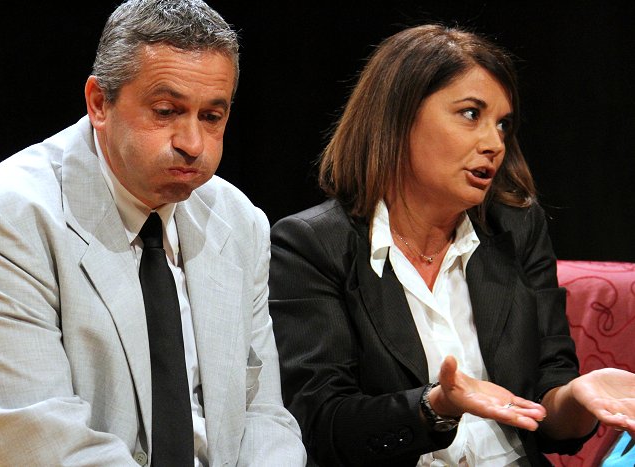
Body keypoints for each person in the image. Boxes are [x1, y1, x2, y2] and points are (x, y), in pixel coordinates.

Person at [0, 1, 306, 465]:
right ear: (99, 103)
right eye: (166, 111)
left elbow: (263, 415)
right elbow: (45, 441)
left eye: (212, 117)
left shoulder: (240, 221)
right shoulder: (0, 221)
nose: (193, 144)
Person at [268, 24, 635, 466]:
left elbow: (548, 403)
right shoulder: (312, 245)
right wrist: (435, 406)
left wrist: (575, 397)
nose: (494, 143)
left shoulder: (517, 229)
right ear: (398, 116)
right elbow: (321, 423)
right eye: (470, 114)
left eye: (502, 124)